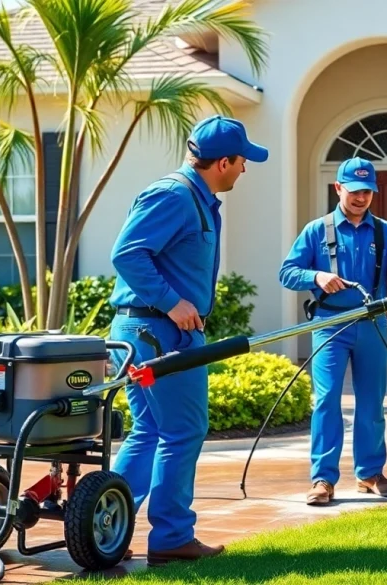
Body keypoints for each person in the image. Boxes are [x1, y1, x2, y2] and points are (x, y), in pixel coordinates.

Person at [107, 114, 268, 564]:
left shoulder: (196, 199)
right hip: (159, 332)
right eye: (242, 160)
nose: (245, 168)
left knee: (150, 430)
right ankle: (172, 537)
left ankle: (105, 526)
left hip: (151, 330)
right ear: (223, 163)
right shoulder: (174, 195)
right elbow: (127, 253)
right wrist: (172, 302)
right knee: (183, 430)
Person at [279, 157, 387, 506]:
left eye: (367, 192)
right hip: (328, 326)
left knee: (371, 401)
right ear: (338, 188)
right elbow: (287, 272)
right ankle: (323, 480)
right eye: (355, 191)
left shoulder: (386, 232)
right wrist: (316, 276)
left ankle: (370, 474)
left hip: (372, 325)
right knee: (327, 400)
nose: (361, 198)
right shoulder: (316, 230)